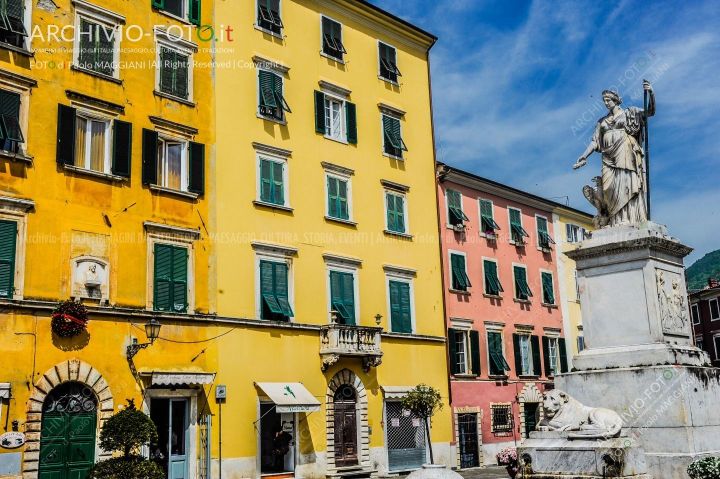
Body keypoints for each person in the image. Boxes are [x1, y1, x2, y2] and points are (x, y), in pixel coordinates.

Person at [574, 81, 655, 227]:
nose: (606, 103)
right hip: (608, 157)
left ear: (616, 100)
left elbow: (650, 112)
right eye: (604, 101)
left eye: (608, 100)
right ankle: (614, 219)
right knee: (608, 188)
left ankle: (628, 218)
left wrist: (651, 94)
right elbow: (594, 141)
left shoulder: (629, 113)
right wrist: (584, 155)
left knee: (626, 183)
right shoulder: (602, 121)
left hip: (625, 152)